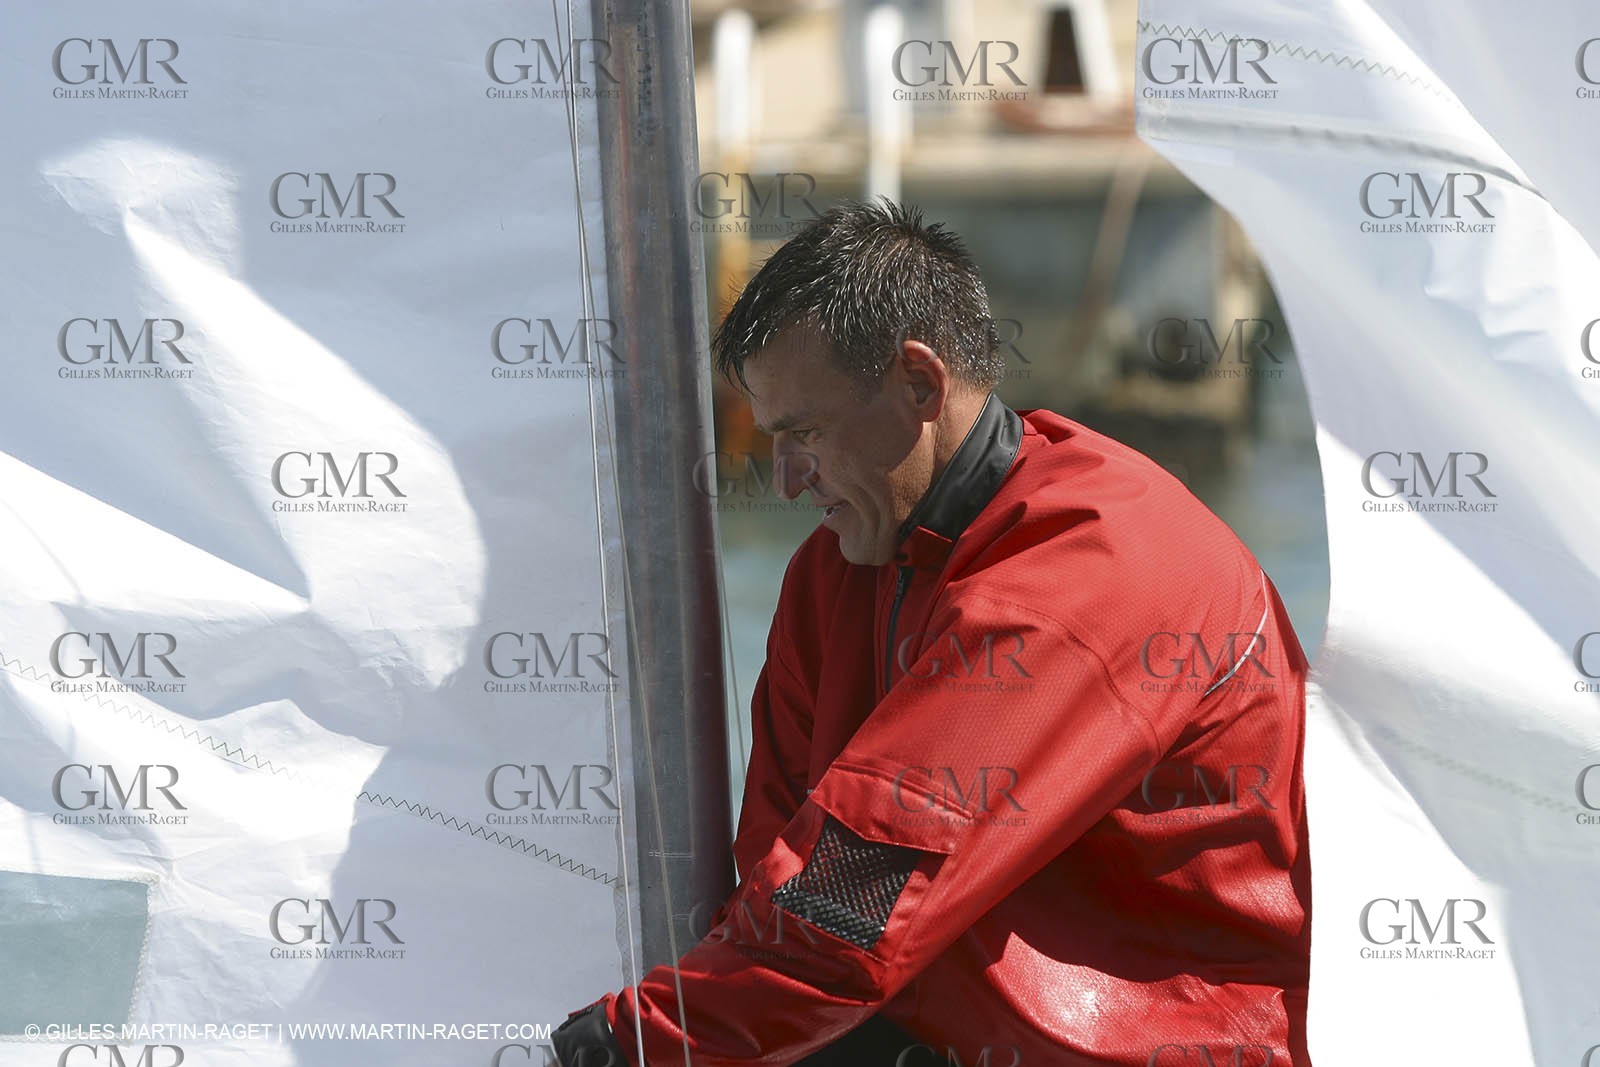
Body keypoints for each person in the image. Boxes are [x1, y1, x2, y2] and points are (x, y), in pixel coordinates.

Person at [554, 200, 1312, 1067]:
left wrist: (622, 1045)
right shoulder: (832, 571)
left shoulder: (1095, 558)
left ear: (920, 383)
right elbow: (777, 873)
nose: (788, 478)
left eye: (804, 432)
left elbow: (852, 901)